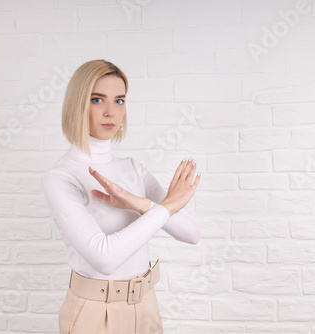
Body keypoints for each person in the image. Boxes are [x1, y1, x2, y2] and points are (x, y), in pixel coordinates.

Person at [41, 59, 201, 334]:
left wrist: (143, 205)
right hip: (94, 312)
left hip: (146, 304)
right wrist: (165, 208)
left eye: (119, 101)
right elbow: (105, 258)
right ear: (78, 104)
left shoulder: (133, 169)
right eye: (97, 99)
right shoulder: (62, 177)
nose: (110, 112)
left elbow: (192, 233)